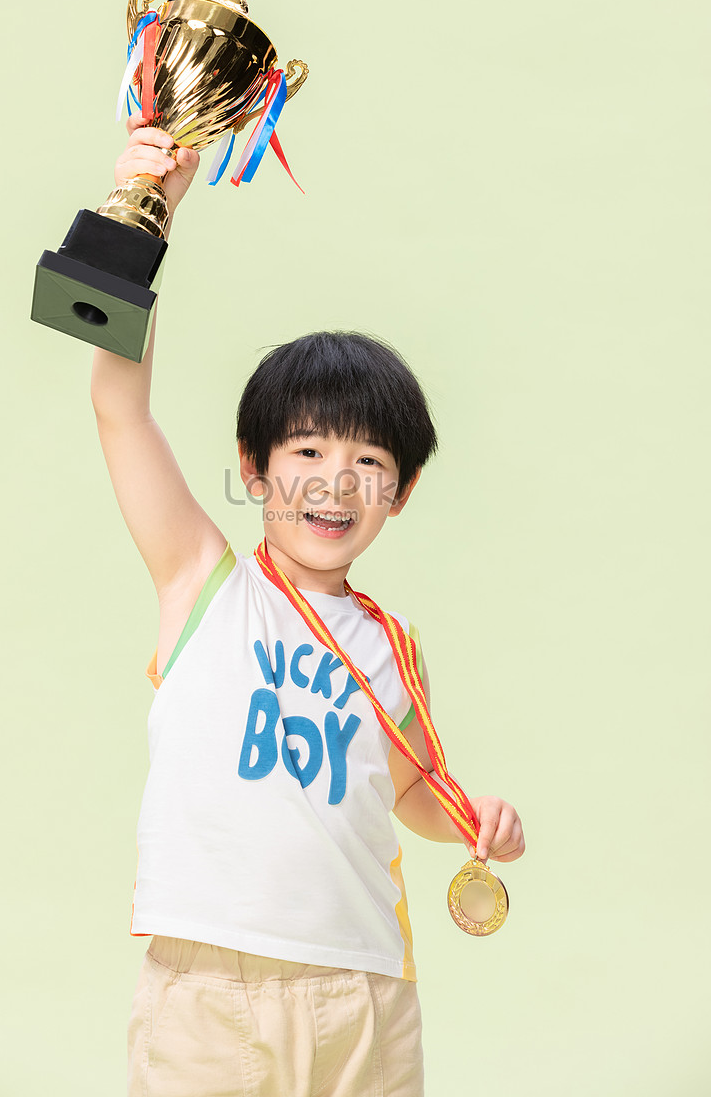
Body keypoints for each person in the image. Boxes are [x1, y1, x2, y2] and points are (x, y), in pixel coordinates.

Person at [90, 115, 526, 1097]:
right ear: (253, 467)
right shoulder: (201, 581)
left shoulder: (391, 642)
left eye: (369, 461)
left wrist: (470, 821)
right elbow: (117, 402)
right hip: (206, 986)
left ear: (399, 492)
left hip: (364, 989)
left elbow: (404, 787)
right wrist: (144, 212)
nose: (336, 483)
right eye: (307, 452)